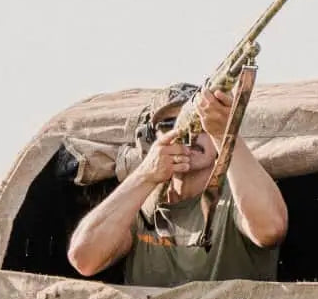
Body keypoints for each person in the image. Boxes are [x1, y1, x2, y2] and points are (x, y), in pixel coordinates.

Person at [68, 82, 288, 287]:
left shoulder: (239, 197)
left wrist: (226, 134)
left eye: (200, 123)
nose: (189, 133)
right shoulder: (139, 206)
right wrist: (144, 175)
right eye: (171, 125)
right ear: (151, 139)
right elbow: (84, 259)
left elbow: (271, 229)